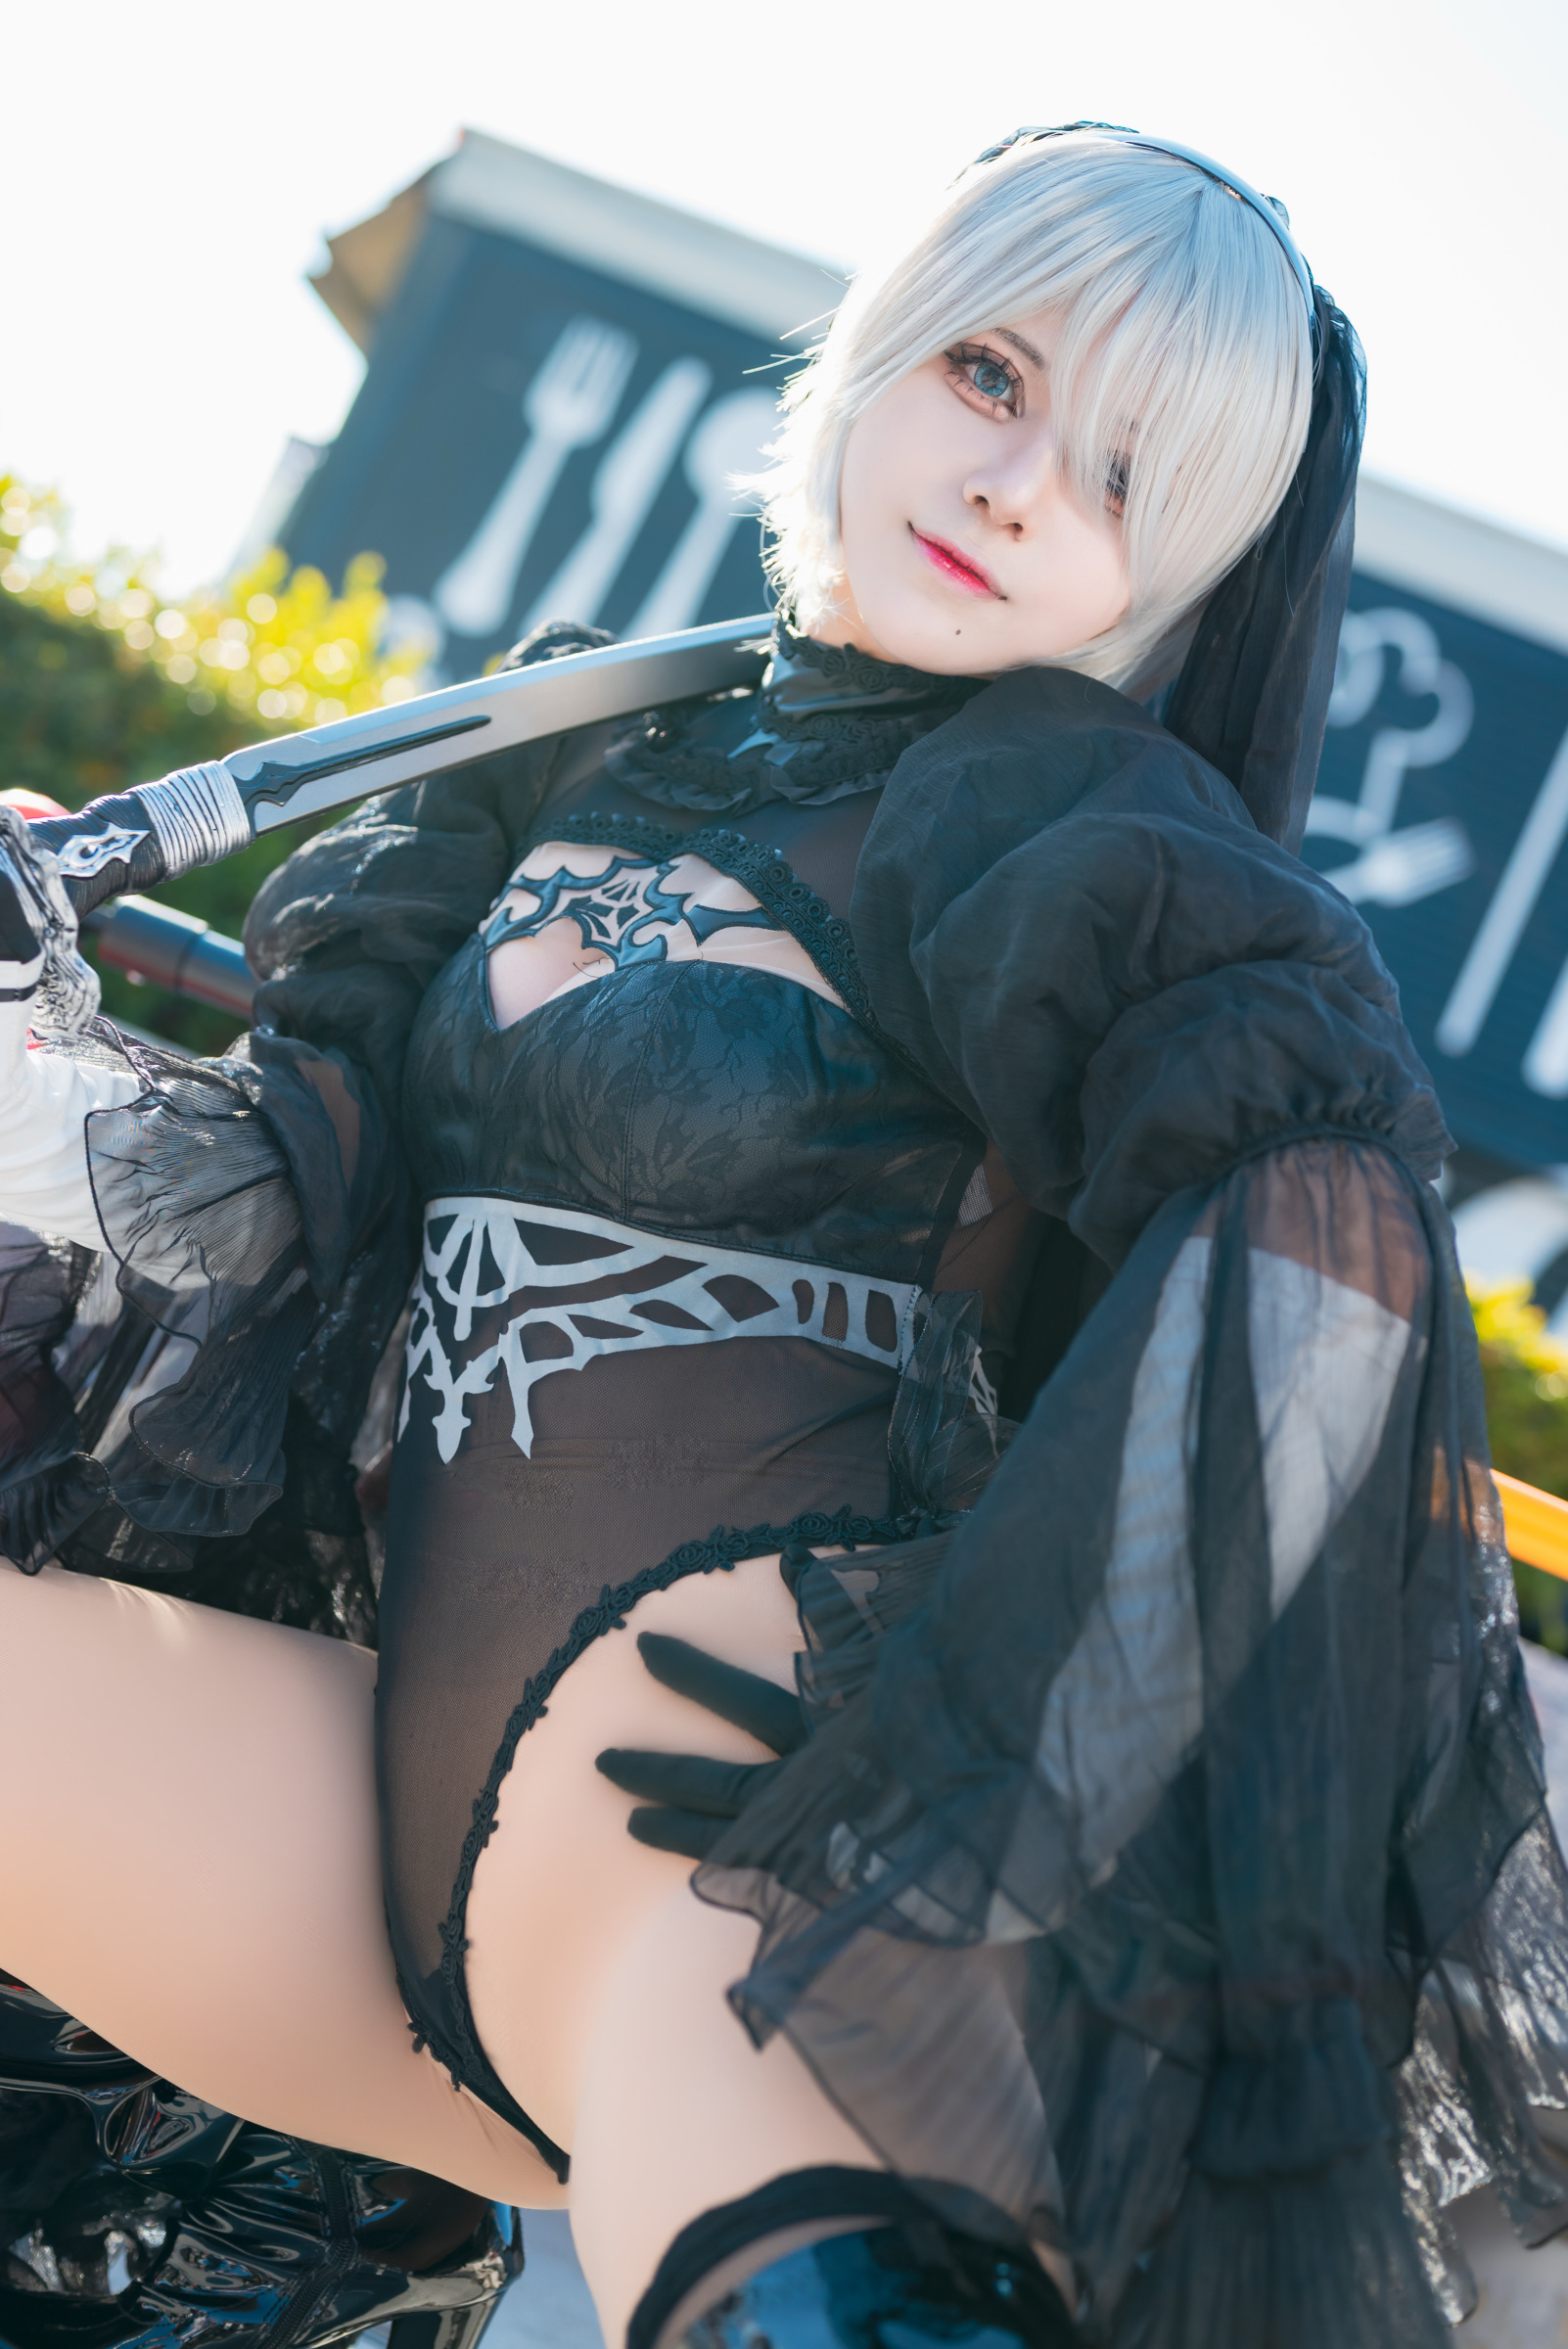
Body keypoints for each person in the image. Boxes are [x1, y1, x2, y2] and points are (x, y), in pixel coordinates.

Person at [0, 121, 1563, 2349]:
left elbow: (1329, 1260)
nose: (1015, 488)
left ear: (1187, 562)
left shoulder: (1075, 824)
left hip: (736, 1905)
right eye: (995, 376)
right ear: (887, 342)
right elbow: (276, 1227)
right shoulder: (574, 731)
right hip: (360, 1848)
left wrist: (1017, 1779)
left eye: (1126, 476)